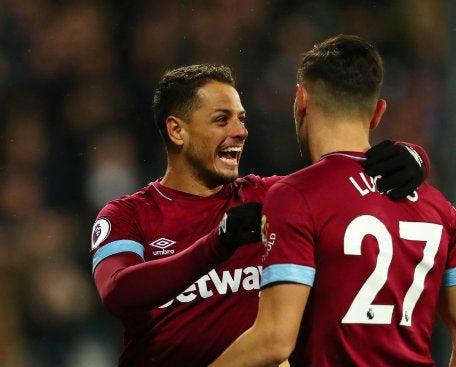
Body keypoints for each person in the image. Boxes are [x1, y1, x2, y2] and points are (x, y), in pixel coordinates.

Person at [90, 63, 430, 367]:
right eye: (222, 119)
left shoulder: (271, 197)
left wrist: (413, 158)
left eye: (242, 119)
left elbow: (345, 181)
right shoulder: (129, 214)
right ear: (178, 131)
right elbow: (118, 293)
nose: (240, 131)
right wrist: (216, 245)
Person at [209, 35, 456, 367]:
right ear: (378, 113)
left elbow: (273, 340)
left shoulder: (296, 196)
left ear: (301, 101)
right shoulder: (439, 208)